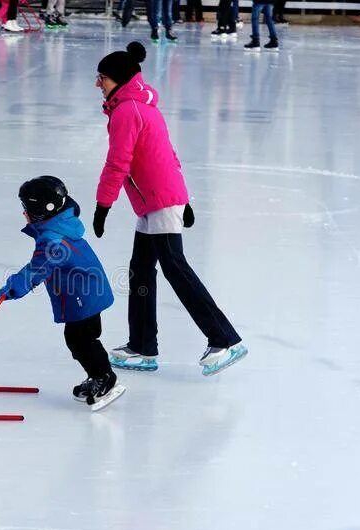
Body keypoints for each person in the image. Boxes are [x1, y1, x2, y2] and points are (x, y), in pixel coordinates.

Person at [92, 42, 248, 376]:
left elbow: (118, 162)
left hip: (158, 200)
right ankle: (142, 347)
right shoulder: (139, 106)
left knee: (175, 268)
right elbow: (167, 153)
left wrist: (103, 205)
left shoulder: (127, 111)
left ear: (118, 80)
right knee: (141, 271)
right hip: (155, 201)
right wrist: (185, 198)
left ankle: (225, 339)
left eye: (102, 78)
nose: (97, 84)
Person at [0, 176, 124, 410]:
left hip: (83, 295)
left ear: (40, 210)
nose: (23, 213)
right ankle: (97, 374)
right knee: (80, 338)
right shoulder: (59, 226)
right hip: (84, 292)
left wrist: (16, 285)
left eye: (26, 208)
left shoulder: (53, 240)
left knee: (81, 339)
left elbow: (38, 268)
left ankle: (105, 378)